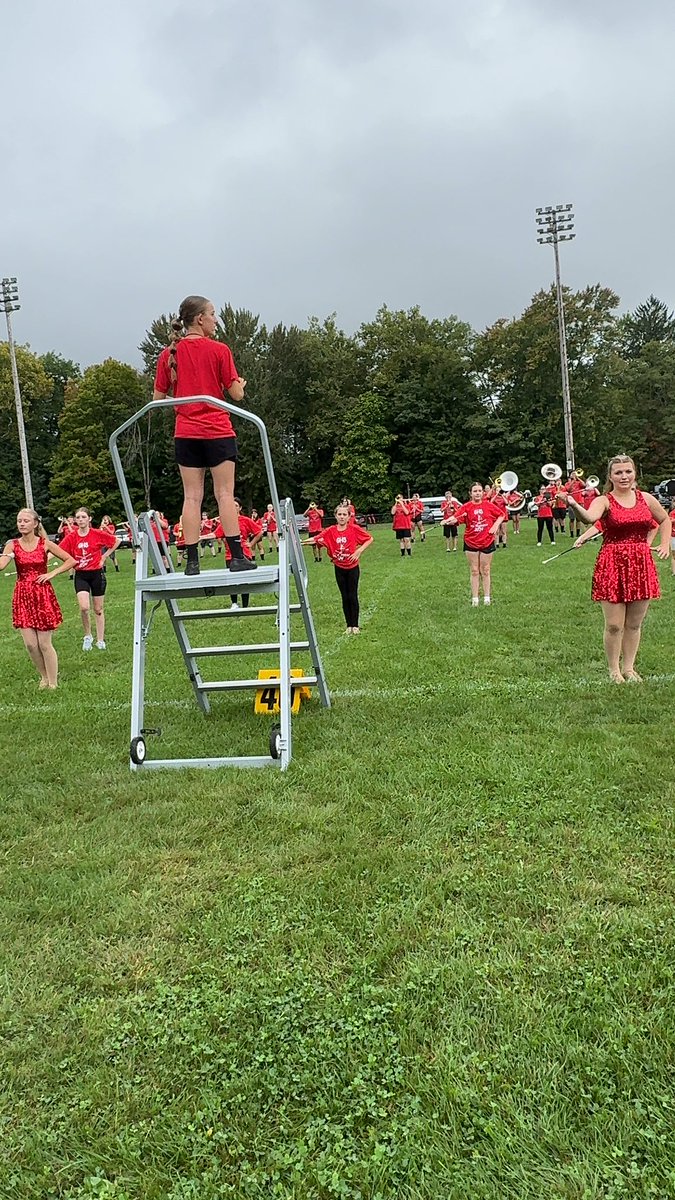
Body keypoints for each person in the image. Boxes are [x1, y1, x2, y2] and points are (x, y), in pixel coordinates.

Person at [153, 294, 252, 577]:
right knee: (225, 494)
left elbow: (157, 399)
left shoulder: (168, 354)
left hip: (185, 433)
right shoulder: (219, 350)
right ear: (200, 319)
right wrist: (240, 384)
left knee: (192, 497)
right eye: (213, 314)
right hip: (218, 430)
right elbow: (236, 394)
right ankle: (236, 557)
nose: (215, 320)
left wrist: (182, 399)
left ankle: (192, 562)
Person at [567, 454, 670, 683]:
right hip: (612, 563)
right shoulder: (604, 501)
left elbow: (664, 520)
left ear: (634, 473)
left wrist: (664, 544)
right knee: (614, 625)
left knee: (634, 623)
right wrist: (574, 505)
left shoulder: (645, 498)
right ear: (610, 477)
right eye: (618, 472)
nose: (624, 476)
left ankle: (629, 668)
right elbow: (589, 518)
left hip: (641, 563)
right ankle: (614, 669)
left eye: (628, 471)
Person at [0, 508, 77, 688]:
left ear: (35, 523)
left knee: (44, 643)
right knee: (31, 645)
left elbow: (71, 560)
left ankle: (53, 683)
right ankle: (44, 677)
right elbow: (1, 566)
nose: (21, 524)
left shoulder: (45, 543)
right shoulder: (12, 544)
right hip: (22, 595)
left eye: (26, 521)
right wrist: (5, 555)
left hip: (42, 595)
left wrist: (52, 573)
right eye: (19, 521)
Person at [303, 503, 373, 633]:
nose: (342, 517)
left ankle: (355, 625)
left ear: (349, 516)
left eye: (344, 514)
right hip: (339, 567)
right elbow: (316, 539)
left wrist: (359, 551)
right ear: (335, 516)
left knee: (352, 595)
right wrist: (299, 542)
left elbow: (369, 539)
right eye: (339, 514)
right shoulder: (331, 530)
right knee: (344, 596)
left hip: (352, 567)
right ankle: (348, 626)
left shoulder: (354, 529)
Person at [58, 507, 120, 651]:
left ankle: (100, 640)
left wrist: (104, 557)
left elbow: (116, 541)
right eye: (78, 517)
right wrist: (42, 560)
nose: (80, 520)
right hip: (81, 575)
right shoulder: (72, 536)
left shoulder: (97, 534)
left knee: (98, 609)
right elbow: (58, 550)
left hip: (96, 574)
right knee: (84, 607)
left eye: (83, 517)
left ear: (89, 519)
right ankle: (87, 636)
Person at [447, 483, 505, 606]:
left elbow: (501, 515)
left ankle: (487, 598)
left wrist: (495, 526)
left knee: (486, 570)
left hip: (487, 540)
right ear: (470, 493)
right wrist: (448, 521)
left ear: (483, 492)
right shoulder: (466, 507)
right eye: (475, 491)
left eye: (479, 491)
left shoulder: (488, 505)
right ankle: (475, 599)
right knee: (474, 570)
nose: (477, 493)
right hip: (471, 541)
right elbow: (456, 518)